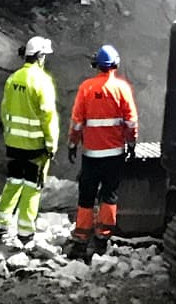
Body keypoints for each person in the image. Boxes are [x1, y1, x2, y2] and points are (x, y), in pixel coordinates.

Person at [67, 43, 139, 258]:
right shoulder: (122, 88)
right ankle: (102, 239)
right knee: (109, 195)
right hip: (114, 154)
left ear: (96, 65)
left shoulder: (86, 88)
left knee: (86, 196)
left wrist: (73, 144)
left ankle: (81, 239)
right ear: (115, 64)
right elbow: (131, 121)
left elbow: (77, 122)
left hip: (91, 155)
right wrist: (131, 143)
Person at [0, 34, 59, 249]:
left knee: (12, 183)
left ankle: (0, 228)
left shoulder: (13, 79)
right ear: (39, 57)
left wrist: (10, 136)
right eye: (45, 56)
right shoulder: (42, 81)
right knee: (32, 188)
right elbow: (47, 115)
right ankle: (25, 234)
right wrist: (51, 145)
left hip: (13, 145)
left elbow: (4, 111)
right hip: (35, 148)